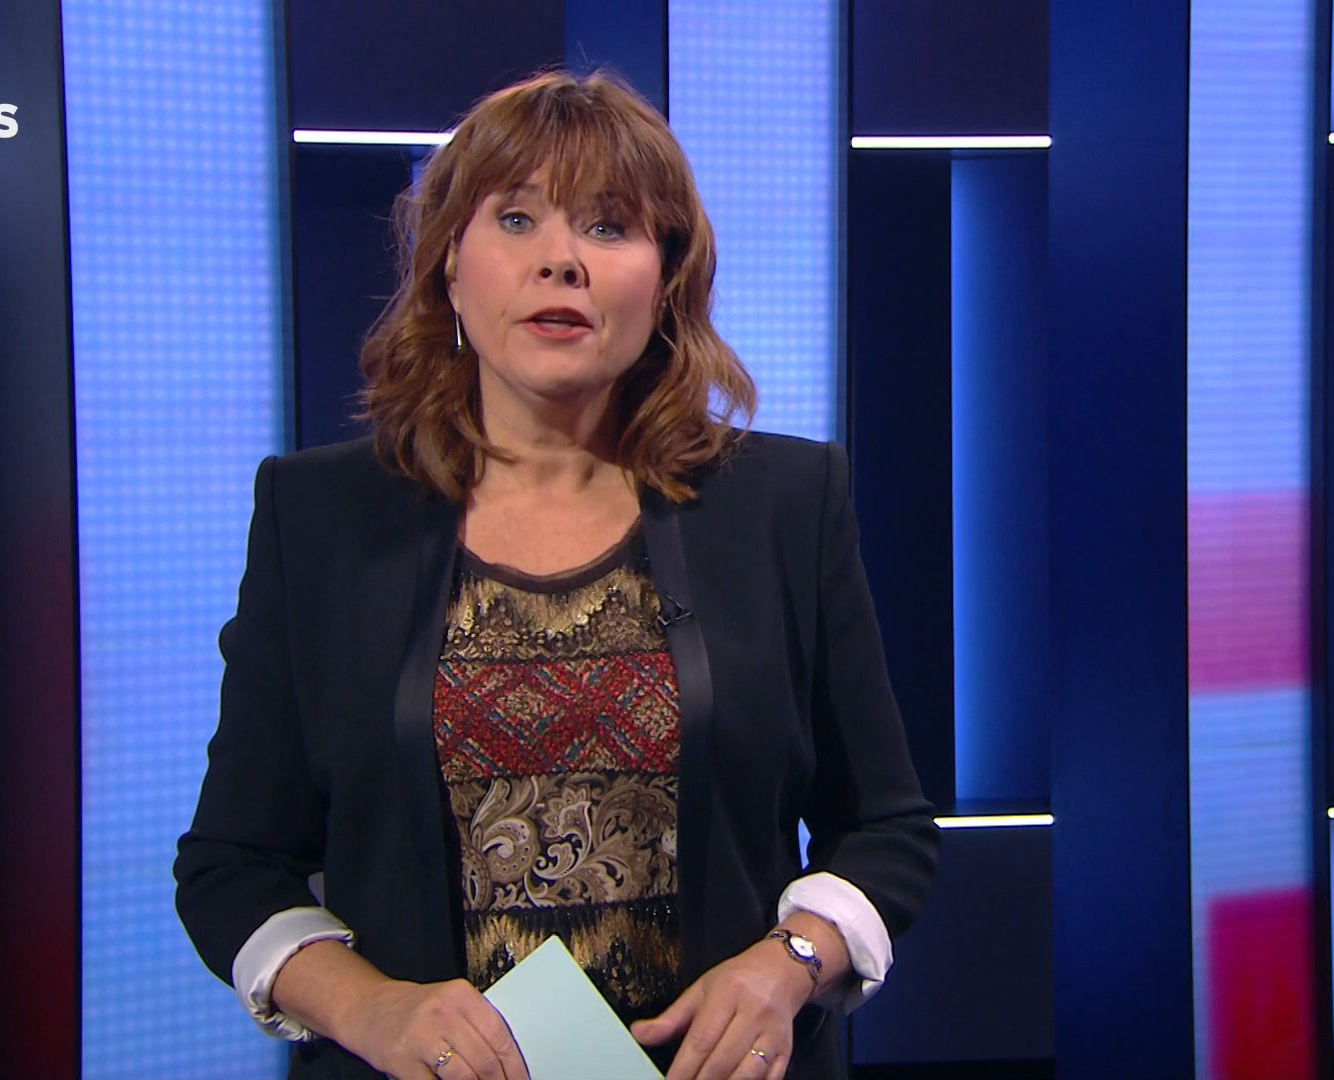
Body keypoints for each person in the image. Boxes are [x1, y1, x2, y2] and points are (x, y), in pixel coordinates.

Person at [175, 69, 938, 1080]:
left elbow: (884, 830)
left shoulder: (785, 504)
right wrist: (371, 1009)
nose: (560, 260)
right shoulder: (315, 518)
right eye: (517, 219)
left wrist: (791, 964)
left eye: (609, 227)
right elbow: (231, 865)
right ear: (451, 268)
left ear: (665, 281)